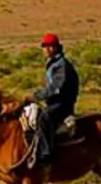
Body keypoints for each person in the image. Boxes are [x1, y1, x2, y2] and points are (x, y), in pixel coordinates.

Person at [29, 33, 80, 166]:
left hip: (63, 103)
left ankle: (45, 154)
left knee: (44, 118)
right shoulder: (54, 63)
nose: (45, 49)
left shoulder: (61, 65)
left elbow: (57, 88)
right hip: (56, 102)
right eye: (44, 47)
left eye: (47, 46)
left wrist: (38, 95)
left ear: (54, 47)